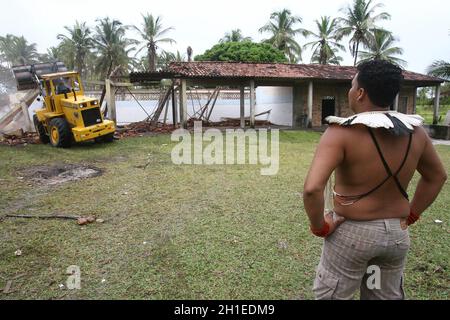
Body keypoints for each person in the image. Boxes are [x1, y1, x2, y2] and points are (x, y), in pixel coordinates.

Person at [303, 60, 447, 300]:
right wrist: (412, 214)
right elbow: (437, 177)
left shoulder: (341, 132)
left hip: (353, 237)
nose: (350, 91)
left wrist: (320, 226)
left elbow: (312, 189)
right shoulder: (416, 132)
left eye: (351, 86)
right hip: (395, 239)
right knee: (379, 294)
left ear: (360, 93)